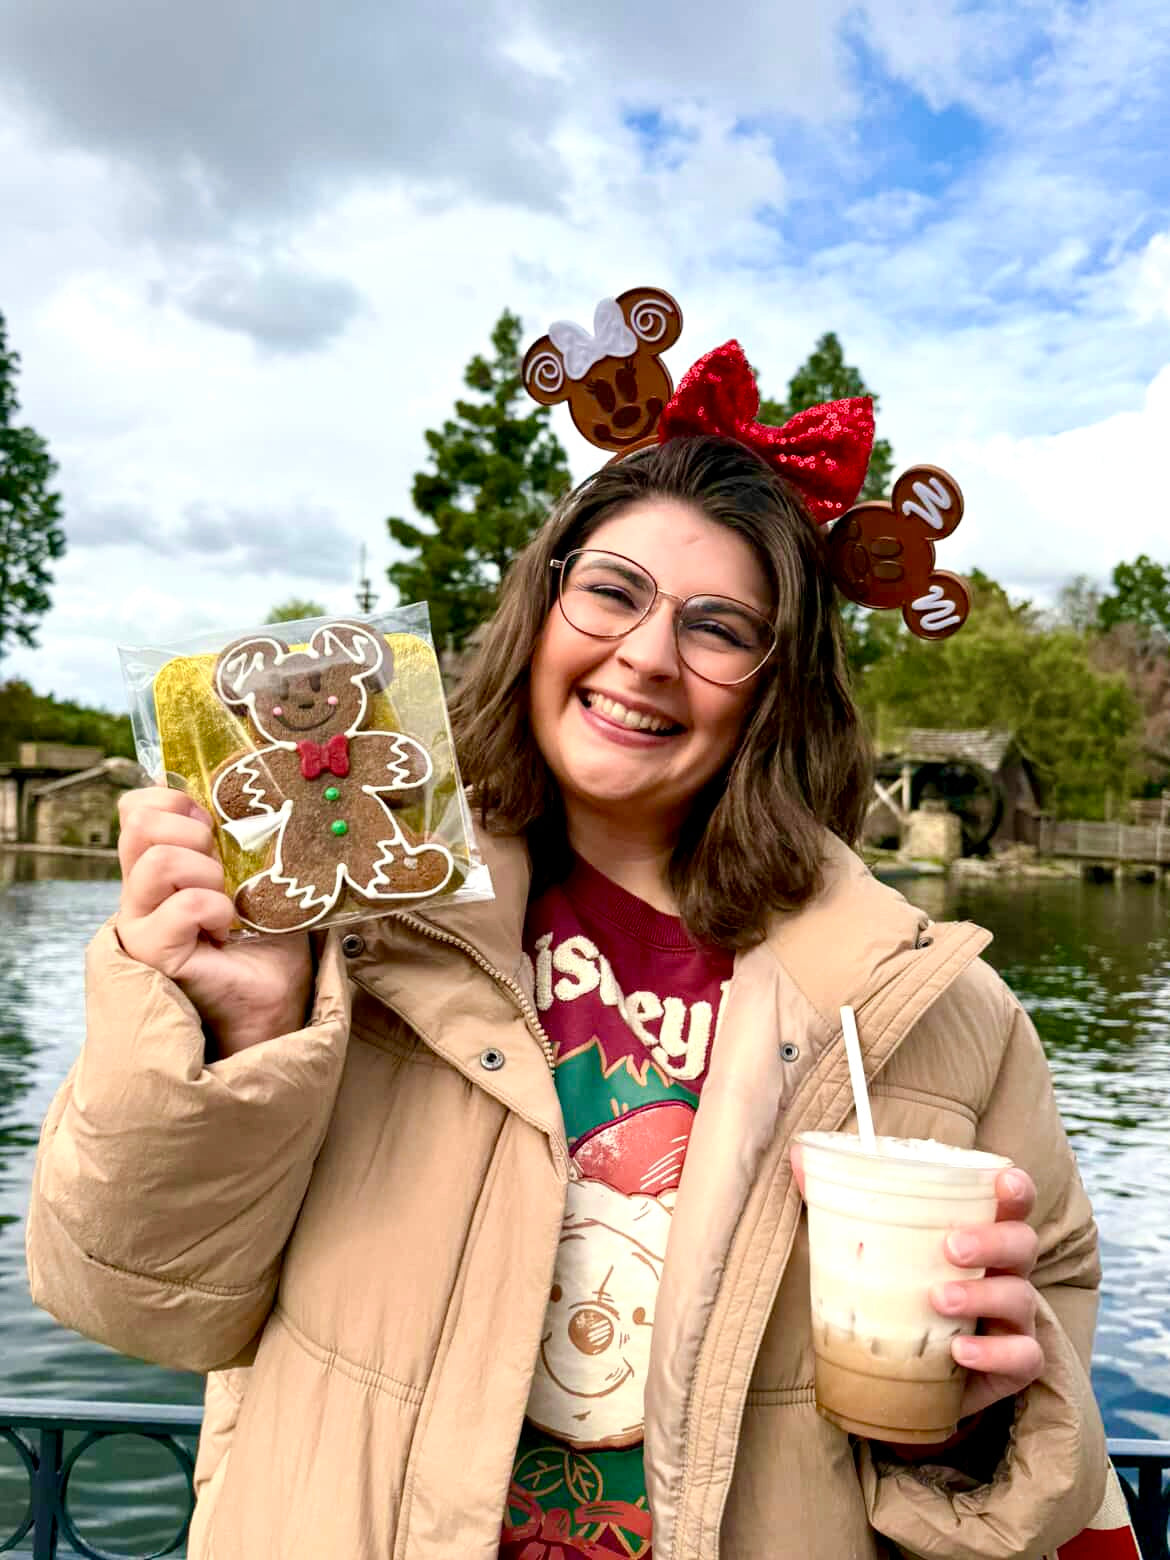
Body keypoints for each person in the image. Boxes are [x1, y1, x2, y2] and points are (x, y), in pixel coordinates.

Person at [26, 431, 1106, 1560]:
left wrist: (973, 1417)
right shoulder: (354, 926)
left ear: (777, 688)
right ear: (539, 613)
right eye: (611, 593)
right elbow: (133, 1299)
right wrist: (245, 1030)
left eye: (718, 628)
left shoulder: (936, 1014)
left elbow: (1034, 1418)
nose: (646, 656)